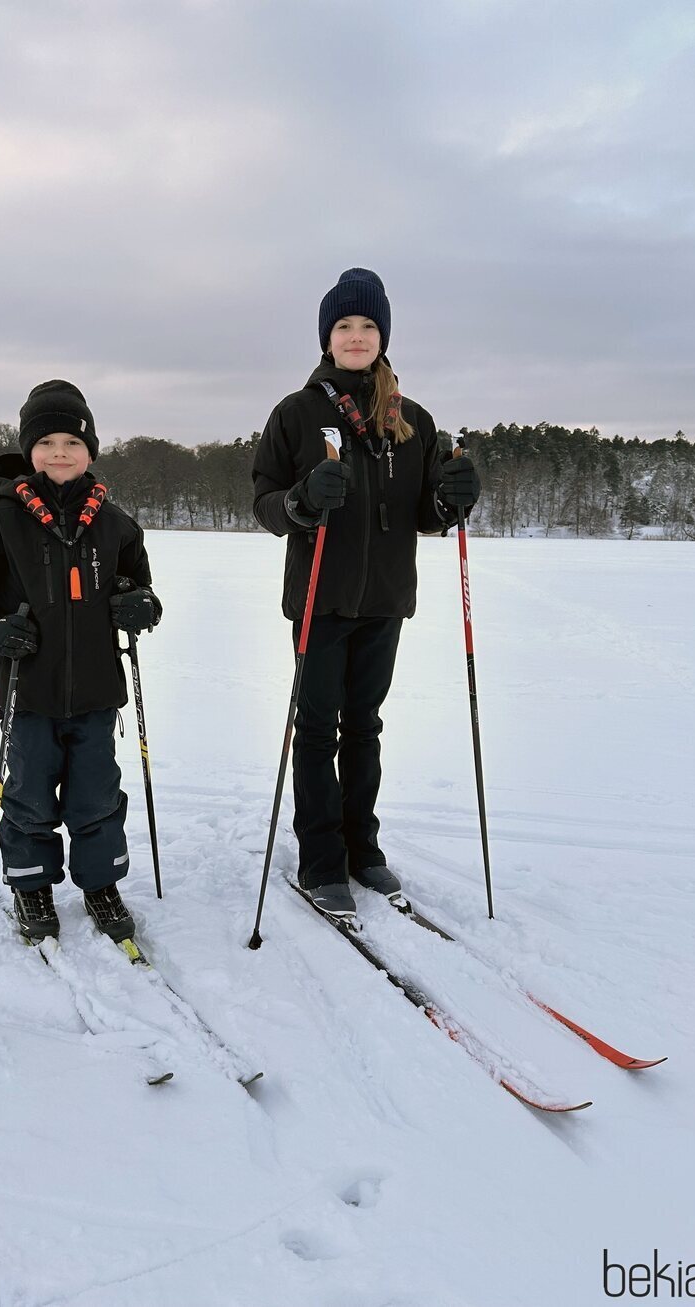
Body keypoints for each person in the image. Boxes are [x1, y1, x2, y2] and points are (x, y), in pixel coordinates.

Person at [251, 268, 481, 918]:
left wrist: (453, 497)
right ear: (328, 336)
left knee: (366, 727)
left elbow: (429, 512)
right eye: (345, 326)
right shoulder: (297, 413)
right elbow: (264, 502)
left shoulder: (411, 419)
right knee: (318, 729)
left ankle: (363, 851)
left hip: (384, 599)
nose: (356, 336)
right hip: (320, 599)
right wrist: (300, 502)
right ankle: (321, 861)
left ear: (383, 335)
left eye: (368, 326)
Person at [0, 380, 162, 943]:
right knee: (29, 794)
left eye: (72, 441)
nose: (59, 452)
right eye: (46, 442)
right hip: (27, 689)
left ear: (91, 451)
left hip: (95, 690)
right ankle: (30, 882)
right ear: (28, 450)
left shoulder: (115, 522)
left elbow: (139, 585)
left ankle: (101, 884)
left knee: (96, 794)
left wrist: (141, 604)